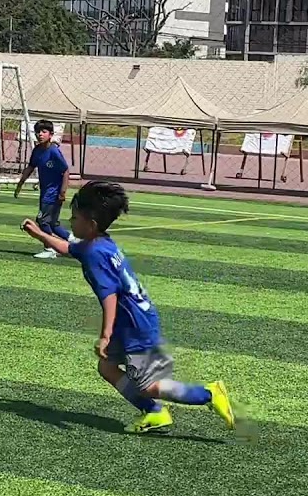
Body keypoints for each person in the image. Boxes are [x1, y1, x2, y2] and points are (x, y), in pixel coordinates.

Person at [22, 181, 235, 434]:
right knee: (108, 367)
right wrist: (40, 235)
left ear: (90, 225)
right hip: (132, 320)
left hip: (134, 325)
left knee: (147, 386)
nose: (71, 222)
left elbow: (109, 297)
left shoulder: (94, 254)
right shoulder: (99, 243)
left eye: (74, 218)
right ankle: (155, 413)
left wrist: (105, 336)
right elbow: (68, 248)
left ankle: (208, 393)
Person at [13, 120, 75, 259]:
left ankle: (50, 249)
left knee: (42, 221)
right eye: (38, 132)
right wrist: (20, 183)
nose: (40, 134)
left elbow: (65, 171)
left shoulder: (54, 151)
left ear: (51, 134)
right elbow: (30, 167)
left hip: (53, 193)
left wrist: (62, 192)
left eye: (44, 132)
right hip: (45, 192)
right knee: (52, 224)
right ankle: (74, 241)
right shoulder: (37, 150)